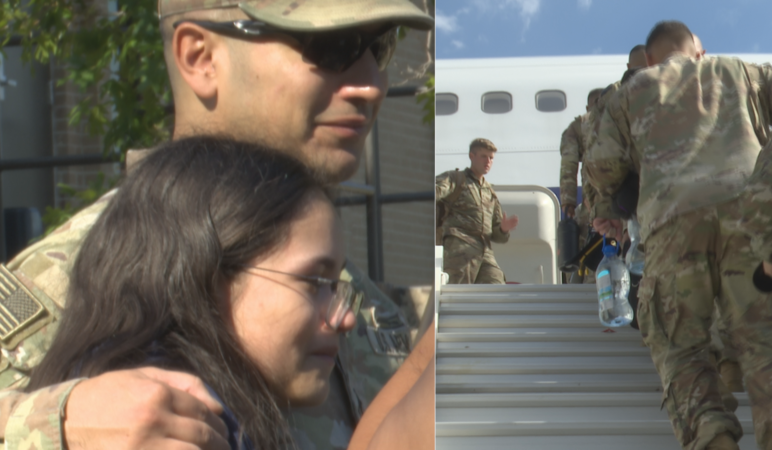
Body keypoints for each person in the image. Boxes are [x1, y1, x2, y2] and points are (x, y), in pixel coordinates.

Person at [0, 1, 435, 449]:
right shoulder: (56, 288)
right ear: (200, 57)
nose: (370, 85)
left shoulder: (364, 305)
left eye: (379, 47)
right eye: (334, 47)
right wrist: (56, 422)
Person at [587, 20, 772, 450]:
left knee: (681, 348)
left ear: (648, 58)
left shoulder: (630, 90)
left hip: (672, 226)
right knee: (764, 341)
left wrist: (611, 203)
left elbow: (602, 165)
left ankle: (713, 438)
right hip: (750, 219)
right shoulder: (739, 70)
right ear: (698, 51)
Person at [435, 138, 519, 284]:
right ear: (471, 156)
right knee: (459, 296)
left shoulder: (489, 191)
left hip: (484, 250)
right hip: (460, 247)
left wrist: (504, 229)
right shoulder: (456, 179)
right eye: (483, 156)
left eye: (491, 158)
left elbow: (498, 235)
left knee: (497, 288)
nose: (488, 161)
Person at [560, 88, 604, 219]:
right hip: (620, 198)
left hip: (591, 197)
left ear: (587, 107)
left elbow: (569, 165)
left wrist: (568, 202)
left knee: (590, 234)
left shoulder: (577, 126)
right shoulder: (620, 120)